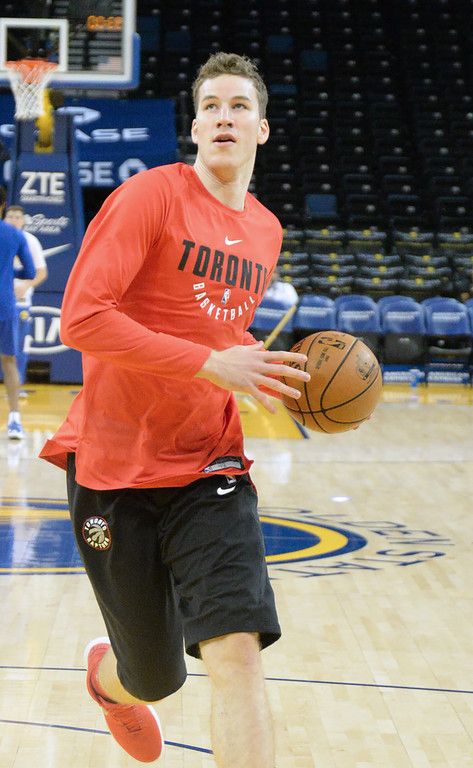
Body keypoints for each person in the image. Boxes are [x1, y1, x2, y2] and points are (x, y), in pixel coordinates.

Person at [39, 52, 310, 767]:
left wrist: (262, 367)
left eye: (240, 106)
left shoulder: (266, 230)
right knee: (154, 676)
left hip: (209, 464)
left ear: (262, 129)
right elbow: (82, 320)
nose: (224, 117)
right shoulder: (150, 197)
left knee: (238, 650)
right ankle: (110, 684)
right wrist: (211, 362)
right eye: (211, 106)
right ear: (194, 126)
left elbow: (214, 327)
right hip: (114, 464)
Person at [0, 188, 36, 439]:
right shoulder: (15, 234)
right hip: (4, 305)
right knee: (9, 361)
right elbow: (30, 272)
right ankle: (15, 421)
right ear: (3, 205)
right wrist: (7, 273)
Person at [5, 205, 48, 388]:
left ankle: (17, 386)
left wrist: (26, 285)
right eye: (10, 216)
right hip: (2, 300)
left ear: (23, 221)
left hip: (20, 303)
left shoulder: (30, 241)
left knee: (18, 347)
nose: (14, 220)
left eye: (17, 217)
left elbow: (41, 272)